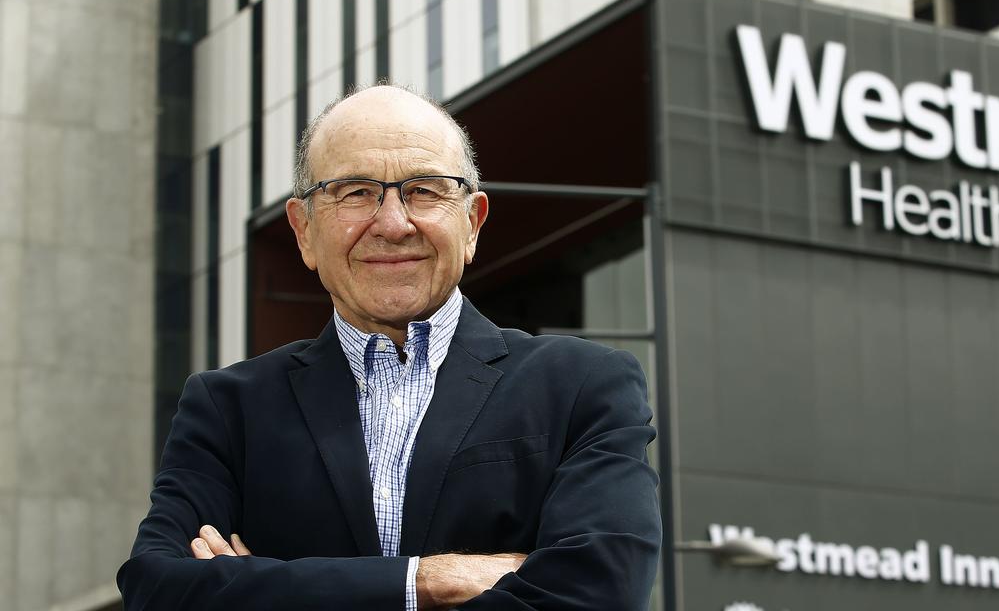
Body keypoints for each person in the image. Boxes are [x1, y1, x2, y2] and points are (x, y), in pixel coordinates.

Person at [117, 85, 662, 610]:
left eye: (424, 189)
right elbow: (159, 590)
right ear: (303, 230)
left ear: (472, 223)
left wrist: (262, 588)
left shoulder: (583, 385)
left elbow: (601, 592)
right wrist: (429, 580)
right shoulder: (227, 408)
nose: (394, 223)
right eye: (355, 192)